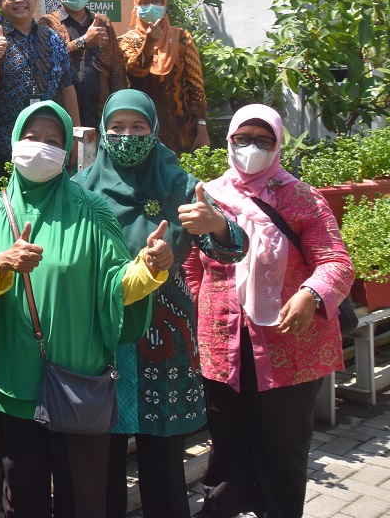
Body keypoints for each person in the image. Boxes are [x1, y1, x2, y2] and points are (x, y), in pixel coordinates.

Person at [0, 101, 171, 518]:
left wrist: (149, 268)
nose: (40, 148)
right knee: (23, 500)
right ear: (13, 140)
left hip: (78, 386)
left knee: (84, 502)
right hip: (13, 387)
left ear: (67, 151)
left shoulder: (92, 211)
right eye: (31, 137)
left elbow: (117, 284)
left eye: (53, 141)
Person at [76, 90, 247, 518]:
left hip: (163, 342)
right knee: (102, 460)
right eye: (116, 128)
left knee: (163, 462)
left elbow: (233, 249)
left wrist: (219, 226)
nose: (126, 136)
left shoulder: (181, 185)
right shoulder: (79, 190)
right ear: (102, 132)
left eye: (138, 128)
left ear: (154, 131)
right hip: (103, 339)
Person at [187, 105, 353, 518]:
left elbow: (336, 261)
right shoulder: (209, 196)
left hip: (288, 349)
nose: (251, 149)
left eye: (263, 141)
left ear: (278, 144)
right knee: (227, 452)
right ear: (229, 141)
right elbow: (192, 267)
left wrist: (311, 294)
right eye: (243, 139)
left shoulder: (299, 196)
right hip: (224, 348)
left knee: (282, 457)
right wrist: (201, 314)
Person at [0, 0, 80, 179]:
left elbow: (67, 88)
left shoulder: (53, 40)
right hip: (6, 144)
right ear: (0, 3)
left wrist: (75, 137)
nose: (19, 0)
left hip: (49, 142)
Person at [118, 0, 209, 155]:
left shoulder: (182, 38)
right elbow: (136, 73)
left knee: (182, 175)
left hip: (182, 127)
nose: (151, 6)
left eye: (157, 1)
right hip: (143, 125)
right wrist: (150, 43)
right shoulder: (127, 41)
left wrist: (202, 127)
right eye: (145, 2)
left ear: (164, 5)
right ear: (136, 8)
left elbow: (196, 85)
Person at [37, 0, 127, 131]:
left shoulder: (102, 22)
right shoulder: (48, 23)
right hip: (65, 113)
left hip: (101, 113)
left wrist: (120, 108)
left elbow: (116, 69)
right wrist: (82, 43)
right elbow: (48, 61)